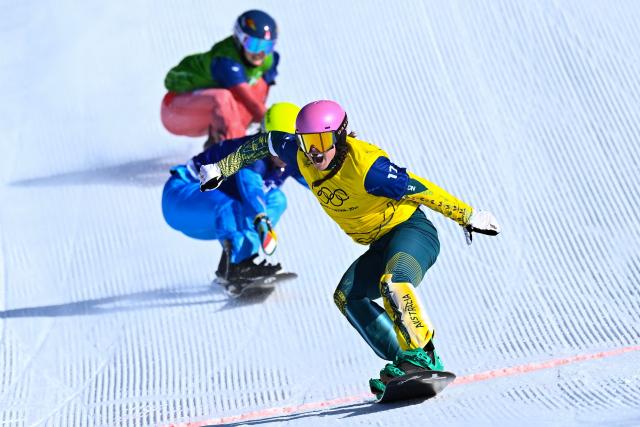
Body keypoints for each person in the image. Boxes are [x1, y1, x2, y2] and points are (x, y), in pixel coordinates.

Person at [197, 100, 501, 398]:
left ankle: (421, 356)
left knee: (392, 283)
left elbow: (419, 187)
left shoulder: (369, 167)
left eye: (322, 140)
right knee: (347, 297)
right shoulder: (301, 154)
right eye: (306, 141)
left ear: (340, 136)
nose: (314, 151)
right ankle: (405, 360)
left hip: (412, 232)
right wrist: (222, 169)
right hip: (380, 243)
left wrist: (467, 215)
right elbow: (264, 143)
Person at [161, 102, 305, 284]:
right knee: (234, 202)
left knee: (277, 199)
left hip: (212, 216)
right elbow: (250, 189)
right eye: (279, 145)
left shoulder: (291, 156)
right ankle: (238, 266)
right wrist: (261, 219)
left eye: (294, 144)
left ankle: (235, 264)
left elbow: (319, 181)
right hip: (179, 199)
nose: (286, 152)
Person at [161, 10, 279, 147]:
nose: (260, 53)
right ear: (239, 39)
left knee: (258, 86)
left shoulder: (270, 59)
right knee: (223, 97)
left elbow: (260, 99)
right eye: (254, 45)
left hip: (207, 111)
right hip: (174, 110)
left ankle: (219, 143)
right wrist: (279, 133)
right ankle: (235, 154)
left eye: (267, 46)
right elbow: (253, 105)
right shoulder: (225, 61)